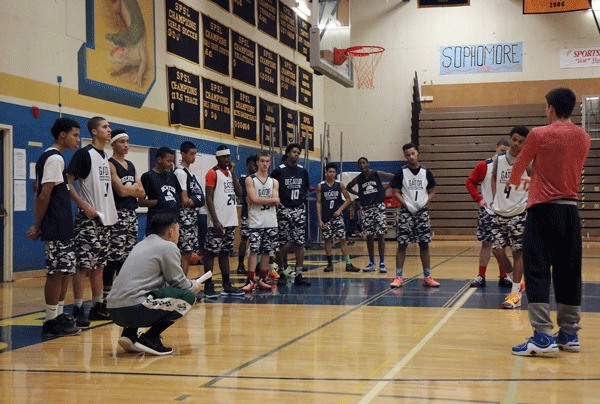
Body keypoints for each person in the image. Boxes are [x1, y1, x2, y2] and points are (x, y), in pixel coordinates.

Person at [508, 88, 591, 357]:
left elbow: (517, 168)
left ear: (551, 108)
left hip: (542, 212)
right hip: (570, 212)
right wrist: (541, 179)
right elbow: (564, 171)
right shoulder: (584, 137)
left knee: (537, 270)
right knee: (569, 272)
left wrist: (518, 180)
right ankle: (569, 333)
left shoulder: (539, 134)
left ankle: (542, 336)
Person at [106, 213, 206, 356]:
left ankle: (129, 334)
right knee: (187, 297)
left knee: (153, 292)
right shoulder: (168, 247)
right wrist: (193, 285)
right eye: (178, 231)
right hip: (132, 309)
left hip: (114, 310)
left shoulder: (141, 244)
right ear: (171, 232)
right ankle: (150, 338)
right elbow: (178, 283)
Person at [26, 117, 81, 338]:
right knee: (56, 272)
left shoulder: (57, 159)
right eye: (75, 135)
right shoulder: (53, 159)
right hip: (56, 223)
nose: (77, 139)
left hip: (64, 224)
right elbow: (43, 195)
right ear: (62, 135)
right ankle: (50, 321)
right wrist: (37, 225)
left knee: (66, 269)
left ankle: (58, 316)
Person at [66, 116, 118, 327]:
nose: (109, 130)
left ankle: (97, 305)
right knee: (83, 266)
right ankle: (78, 307)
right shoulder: (83, 154)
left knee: (99, 265)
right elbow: (67, 183)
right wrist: (83, 205)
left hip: (104, 219)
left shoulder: (104, 156)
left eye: (109, 126)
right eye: (105, 127)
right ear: (94, 132)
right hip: (88, 219)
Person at [389, 143, 439, 288]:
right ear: (405, 156)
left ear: (417, 153)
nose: (411, 157)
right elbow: (396, 191)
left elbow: (432, 190)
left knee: (424, 244)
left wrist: (424, 202)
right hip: (406, 212)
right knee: (402, 244)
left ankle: (427, 276)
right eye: (407, 155)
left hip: (421, 212)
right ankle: (398, 276)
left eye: (413, 153)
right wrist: (405, 204)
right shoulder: (401, 172)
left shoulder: (426, 171)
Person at [490, 126, 530, 309]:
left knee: (517, 252)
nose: (516, 144)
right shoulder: (498, 159)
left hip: (519, 212)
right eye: (514, 139)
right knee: (497, 250)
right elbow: (493, 179)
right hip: (499, 211)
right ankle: (516, 281)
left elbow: (535, 182)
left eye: (521, 141)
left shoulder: (528, 161)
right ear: (510, 138)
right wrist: (493, 199)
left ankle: (515, 294)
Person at [103, 129, 145, 297]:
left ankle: (121, 291)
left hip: (131, 214)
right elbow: (120, 191)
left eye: (127, 141)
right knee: (114, 255)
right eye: (122, 142)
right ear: (113, 144)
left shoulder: (132, 165)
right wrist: (133, 188)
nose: (126, 145)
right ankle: (106, 295)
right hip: (117, 214)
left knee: (127, 256)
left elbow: (142, 193)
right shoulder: (110, 164)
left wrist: (132, 189)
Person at [465, 138, 511, 288]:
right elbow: (470, 182)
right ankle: (481, 275)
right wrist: (479, 198)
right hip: (488, 210)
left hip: (504, 211)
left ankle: (504, 276)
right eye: (502, 150)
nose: (504, 153)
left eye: (507, 151)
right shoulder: (484, 165)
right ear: (496, 148)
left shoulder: (510, 166)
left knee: (502, 246)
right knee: (486, 244)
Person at [202, 145, 244, 298]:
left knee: (225, 252)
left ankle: (226, 284)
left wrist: (233, 174)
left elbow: (240, 193)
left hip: (230, 220)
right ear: (217, 157)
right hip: (217, 221)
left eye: (228, 156)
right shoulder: (212, 173)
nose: (227, 159)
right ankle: (208, 285)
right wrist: (215, 221)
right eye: (224, 157)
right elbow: (209, 199)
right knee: (211, 253)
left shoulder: (229, 174)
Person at [271, 143, 311, 286]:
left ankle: (299, 273)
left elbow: (305, 188)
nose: (296, 155)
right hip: (283, 209)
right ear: (288, 153)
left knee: (300, 242)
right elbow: (273, 189)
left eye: (298, 153)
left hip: (298, 209)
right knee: (282, 241)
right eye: (294, 152)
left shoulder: (302, 171)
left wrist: (299, 202)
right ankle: (281, 271)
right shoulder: (279, 171)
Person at [241, 151, 280, 292]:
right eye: (262, 161)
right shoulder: (250, 180)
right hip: (256, 221)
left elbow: (276, 200)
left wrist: (259, 200)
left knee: (267, 251)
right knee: (254, 250)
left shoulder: (274, 181)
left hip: (270, 221)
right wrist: (269, 200)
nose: (264, 164)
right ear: (257, 162)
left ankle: (262, 279)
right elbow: (254, 199)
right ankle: (250, 279)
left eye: (267, 161)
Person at [346, 157, 394, 273]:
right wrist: (359, 194)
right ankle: (372, 262)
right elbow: (348, 187)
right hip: (367, 208)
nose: (362, 165)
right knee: (369, 235)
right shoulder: (359, 178)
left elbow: (393, 176)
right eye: (360, 163)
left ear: (368, 164)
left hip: (378, 206)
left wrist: (385, 188)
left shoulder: (375, 173)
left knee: (381, 234)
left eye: (363, 163)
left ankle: (382, 262)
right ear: (358, 166)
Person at [316, 162, 361, 273]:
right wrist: (319, 219)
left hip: (337, 217)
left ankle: (348, 263)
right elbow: (318, 203)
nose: (331, 174)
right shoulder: (321, 186)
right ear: (326, 173)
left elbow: (348, 199)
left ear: (336, 173)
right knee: (327, 240)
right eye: (329, 172)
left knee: (342, 239)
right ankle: (330, 264)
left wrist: (340, 210)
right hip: (326, 217)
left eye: (333, 172)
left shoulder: (339, 184)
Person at [174, 141, 205, 275]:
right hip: (184, 216)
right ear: (182, 154)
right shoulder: (181, 172)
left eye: (195, 154)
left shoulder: (189, 172)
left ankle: (183, 281)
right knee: (185, 253)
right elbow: (184, 199)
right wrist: (195, 199)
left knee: (188, 252)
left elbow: (199, 197)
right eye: (191, 154)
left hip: (191, 216)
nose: (194, 157)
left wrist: (197, 199)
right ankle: (181, 283)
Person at [139, 147, 182, 236]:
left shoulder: (172, 176)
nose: (171, 164)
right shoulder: (148, 176)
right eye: (169, 161)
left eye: (172, 161)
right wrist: (160, 202)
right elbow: (141, 202)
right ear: (159, 159)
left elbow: (178, 196)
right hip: (156, 223)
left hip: (172, 221)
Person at [236, 155, 257, 275]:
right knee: (244, 238)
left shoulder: (258, 179)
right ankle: (240, 265)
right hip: (247, 213)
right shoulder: (243, 179)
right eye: (252, 164)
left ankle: (257, 265)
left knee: (258, 240)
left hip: (258, 213)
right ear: (248, 165)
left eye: (256, 164)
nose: (254, 166)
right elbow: (243, 197)